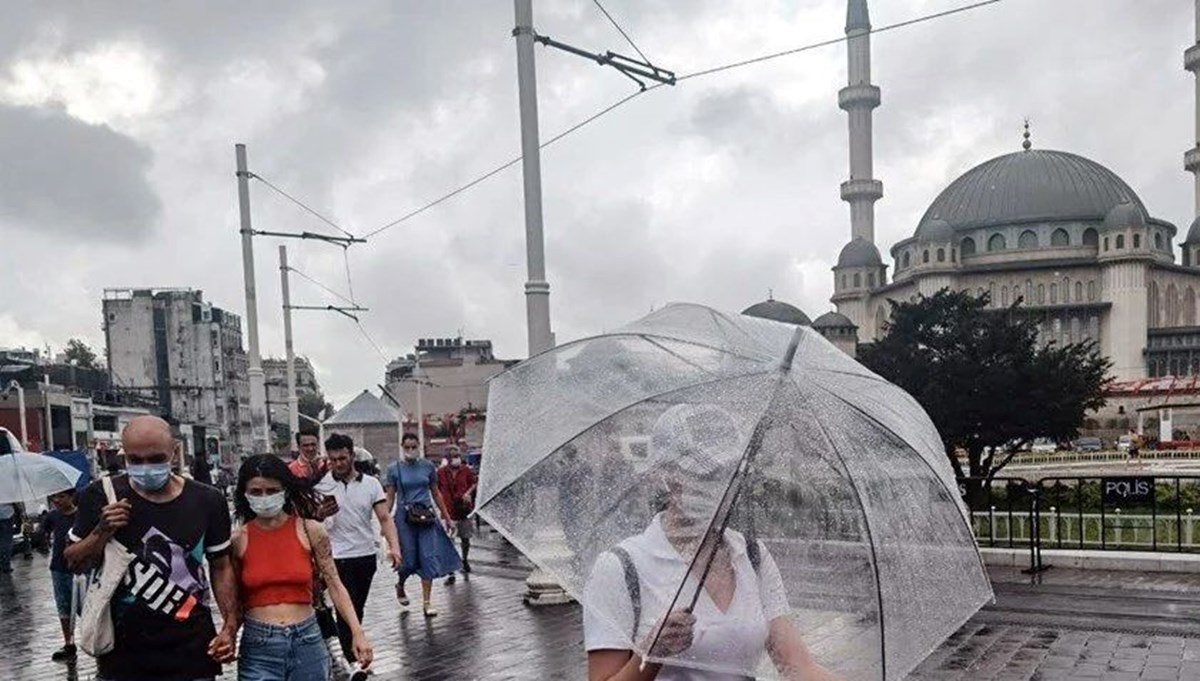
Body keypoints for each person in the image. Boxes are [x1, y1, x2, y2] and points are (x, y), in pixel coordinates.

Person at [583, 404, 839, 681]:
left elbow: (798, 667)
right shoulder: (622, 567)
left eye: (728, 474)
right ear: (665, 475)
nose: (719, 486)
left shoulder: (752, 555)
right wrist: (652, 653)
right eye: (705, 474)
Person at [65, 415, 239, 681]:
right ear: (124, 456)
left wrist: (229, 625)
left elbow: (221, 564)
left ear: (174, 452)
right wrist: (102, 530)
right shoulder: (100, 495)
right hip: (123, 654)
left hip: (191, 649)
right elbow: (73, 561)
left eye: (156, 459)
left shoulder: (207, 500)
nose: (145, 467)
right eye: (135, 460)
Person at [232, 454, 373, 681]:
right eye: (256, 492)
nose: (265, 498)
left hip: (307, 639)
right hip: (259, 646)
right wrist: (227, 635)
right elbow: (235, 601)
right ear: (244, 494)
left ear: (285, 490)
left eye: (272, 490)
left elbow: (335, 584)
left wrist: (357, 632)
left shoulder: (310, 530)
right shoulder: (238, 540)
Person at [316, 434, 401, 667]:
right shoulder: (322, 485)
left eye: (343, 458)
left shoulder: (371, 484)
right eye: (333, 459)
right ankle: (352, 657)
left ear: (352, 455)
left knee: (357, 606)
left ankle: (351, 642)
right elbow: (311, 523)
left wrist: (394, 546)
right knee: (348, 604)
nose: (339, 463)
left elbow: (384, 518)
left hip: (364, 554)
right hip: (336, 556)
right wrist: (321, 513)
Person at [384, 432, 460, 617]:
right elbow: (390, 497)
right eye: (407, 447)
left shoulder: (427, 467)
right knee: (408, 560)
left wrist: (447, 517)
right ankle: (400, 584)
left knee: (428, 557)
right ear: (402, 447)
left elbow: (436, 493)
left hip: (426, 516)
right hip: (405, 517)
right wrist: (384, 521)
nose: (411, 450)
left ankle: (427, 602)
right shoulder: (395, 469)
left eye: (413, 446)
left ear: (419, 446)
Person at [42, 489, 81, 661]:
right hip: (58, 568)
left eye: (62, 496)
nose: (57, 500)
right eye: (54, 497)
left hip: (80, 568)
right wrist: (32, 532)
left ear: (71, 497)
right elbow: (41, 535)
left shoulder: (82, 515)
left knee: (85, 607)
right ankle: (69, 643)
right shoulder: (52, 517)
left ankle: (94, 639)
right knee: (63, 606)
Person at [436, 445, 478, 583]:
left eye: (457, 456)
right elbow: (435, 489)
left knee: (465, 538)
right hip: (449, 512)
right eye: (453, 456)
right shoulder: (441, 473)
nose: (456, 459)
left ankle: (465, 559)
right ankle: (451, 570)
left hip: (464, 510)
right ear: (447, 458)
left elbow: (473, 483)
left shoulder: (466, 470)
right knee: (450, 541)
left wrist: (468, 493)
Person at [0, 502, 14, 574]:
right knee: (7, 543)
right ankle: (6, 564)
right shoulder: (7, 492)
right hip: (6, 517)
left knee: (6, 543)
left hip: (7, 516)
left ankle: (4, 564)